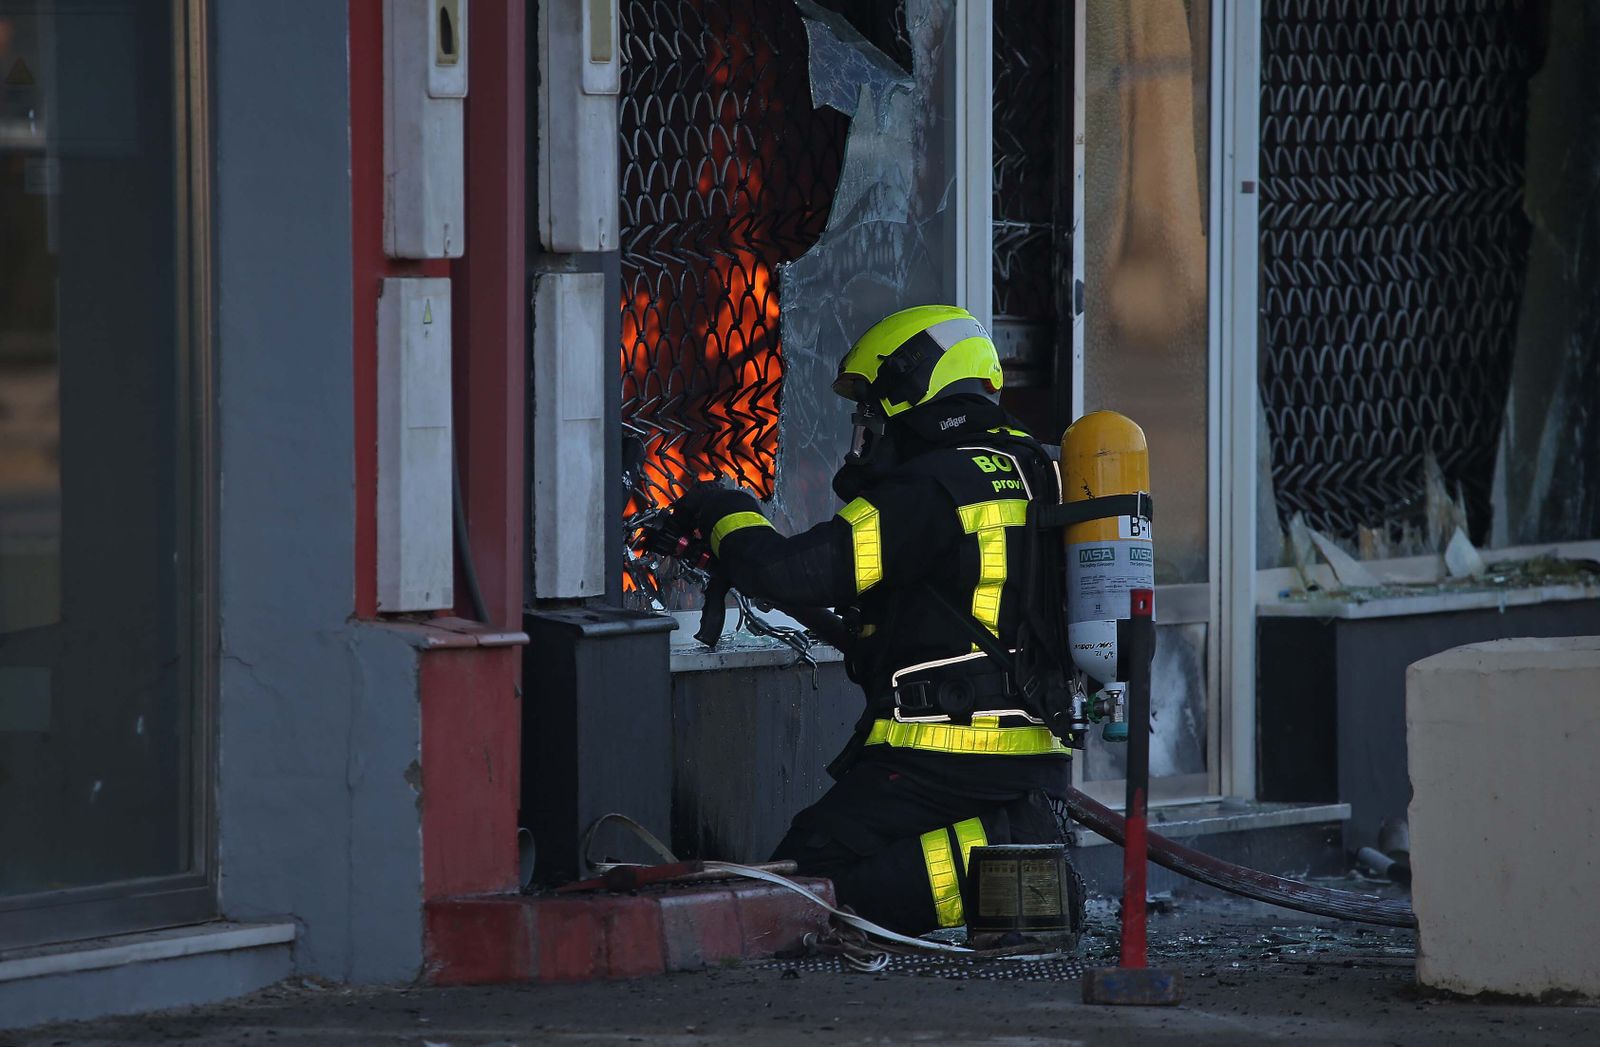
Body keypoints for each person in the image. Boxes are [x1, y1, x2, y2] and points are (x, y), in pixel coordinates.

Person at [672, 304, 1080, 936]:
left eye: (870, 404)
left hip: (942, 760)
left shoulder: (935, 485)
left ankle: (1013, 845)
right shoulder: (1041, 470)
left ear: (912, 389)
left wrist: (722, 509)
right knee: (826, 879)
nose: (863, 425)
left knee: (810, 882)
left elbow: (796, 572)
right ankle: (1016, 854)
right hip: (1020, 757)